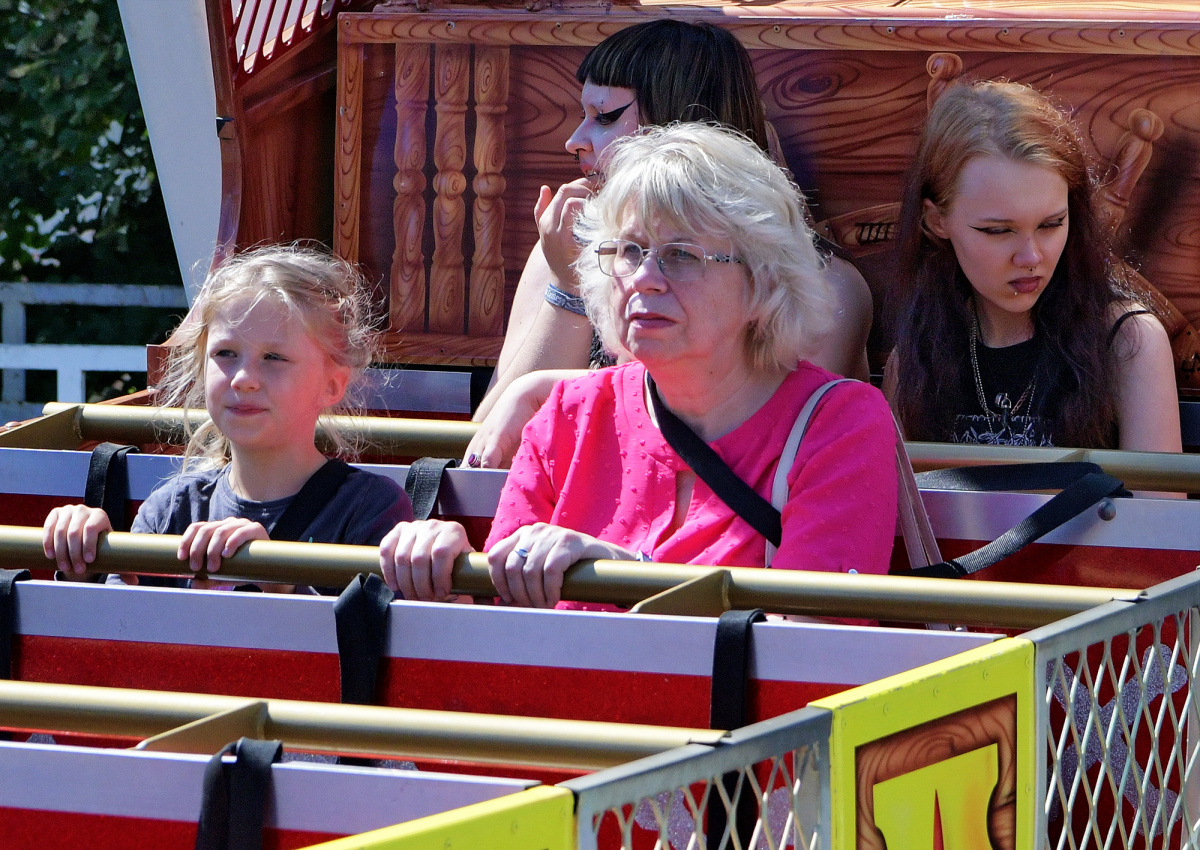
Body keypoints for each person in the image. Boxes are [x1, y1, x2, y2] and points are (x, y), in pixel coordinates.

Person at [380, 124, 897, 609]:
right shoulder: (569, 414)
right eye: (630, 250)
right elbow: (504, 626)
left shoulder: (839, 424)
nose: (644, 277)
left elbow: (814, 643)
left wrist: (628, 575)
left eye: (682, 254)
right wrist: (443, 575)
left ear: (764, 282)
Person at [467, 19, 873, 468]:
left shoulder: (823, 286)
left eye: (604, 116)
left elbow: (773, 456)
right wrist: (571, 287)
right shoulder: (566, 248)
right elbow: (489, 450)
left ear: (676, 126)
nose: (574, 141)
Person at [44, 245, 412, 585]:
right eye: (225, 354)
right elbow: (120, 630)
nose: (243, 378)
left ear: (331, 385)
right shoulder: (172, 509)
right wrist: (85, 564)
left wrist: (278, 586)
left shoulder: (369, 509)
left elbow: (372, 630)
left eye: (274, 357)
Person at [886, 81, 1181, 455]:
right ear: (936, 221)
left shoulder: (1128, 343)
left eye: (1051, 224)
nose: (1030, 258)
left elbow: (1156, 494)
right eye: (998, 230)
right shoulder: (913, 360)